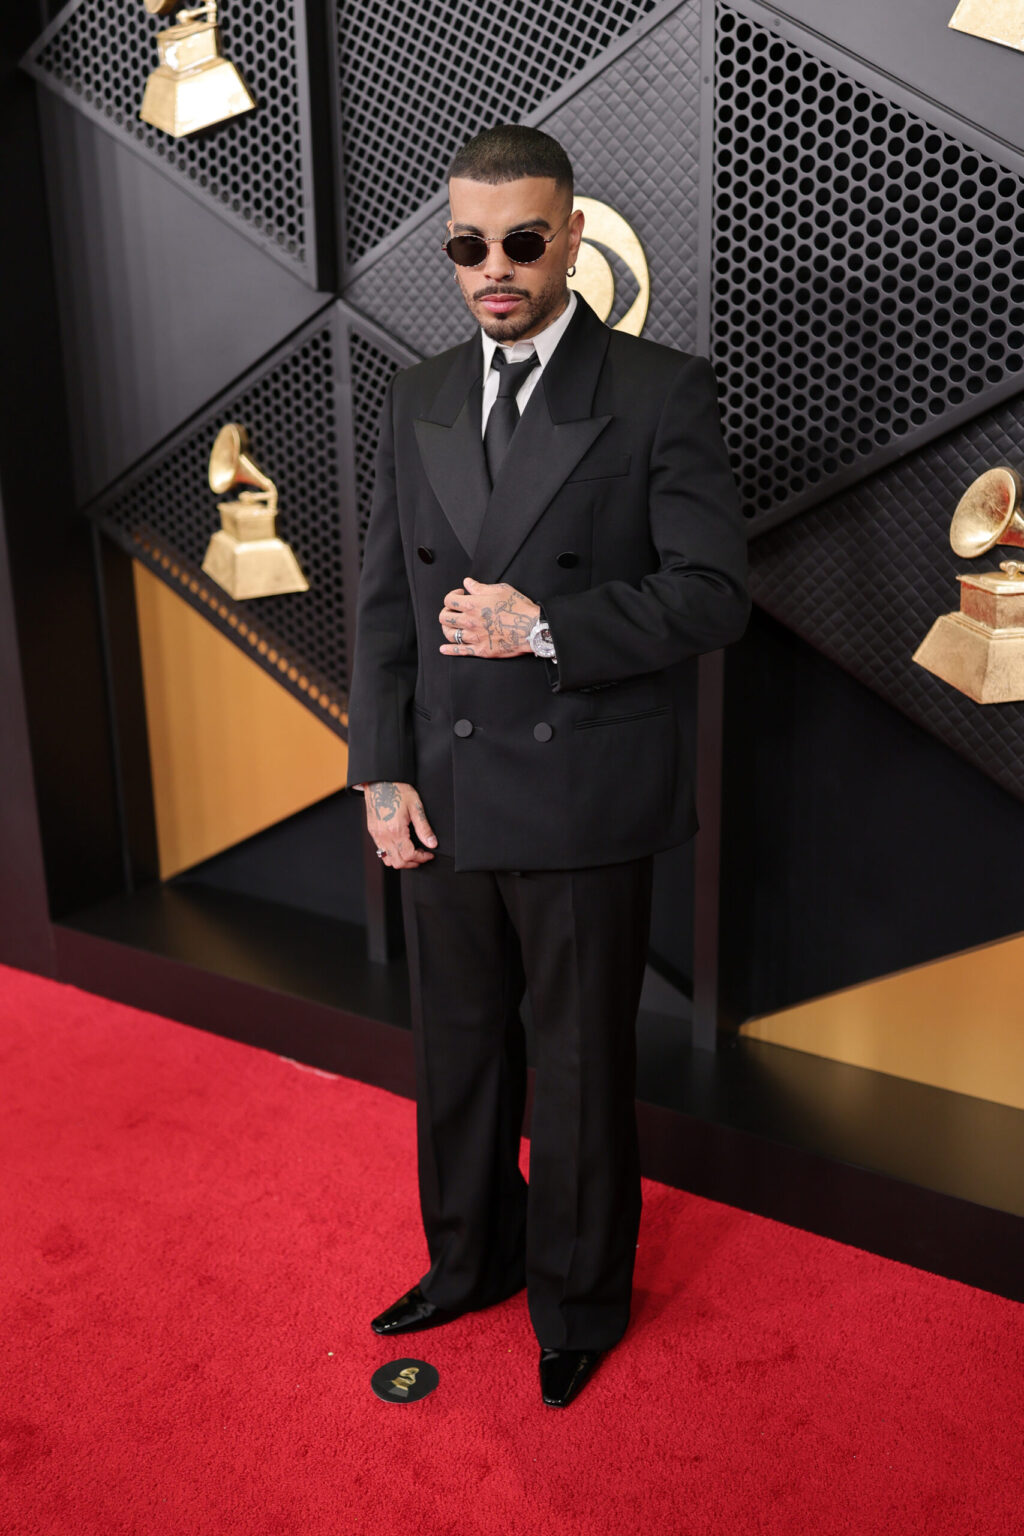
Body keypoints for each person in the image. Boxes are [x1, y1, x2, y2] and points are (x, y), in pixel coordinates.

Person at [346, 124, 749, 1408]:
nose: (495, 271)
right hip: (444, 787)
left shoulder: (659, 390)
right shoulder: (415, 392)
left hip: (581, 788)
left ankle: (577, 1300)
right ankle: (470, 1260)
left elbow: (714, 594)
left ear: (573, 236)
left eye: (522, 242)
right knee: (457, 1050)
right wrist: (379, 771)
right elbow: (384, 605)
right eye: (468, 247)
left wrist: (547, 627)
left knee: (576, 1066)